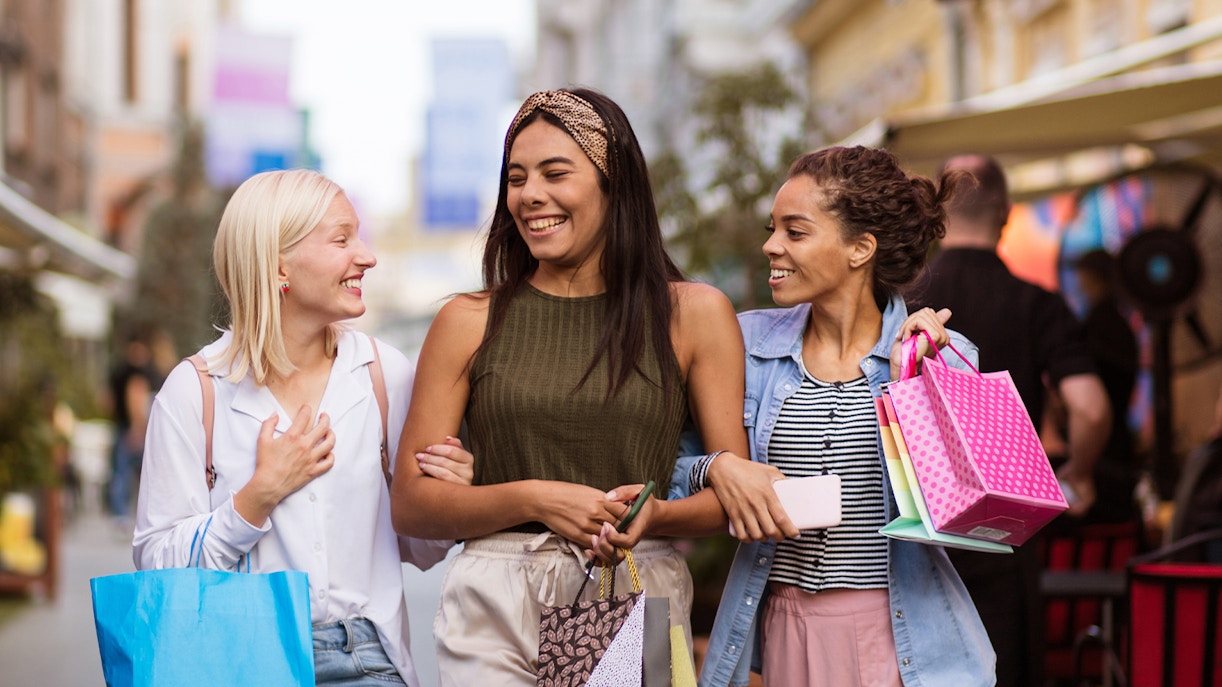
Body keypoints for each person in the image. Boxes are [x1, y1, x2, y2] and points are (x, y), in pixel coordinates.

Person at [390, 88, 764, 686]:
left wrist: (657, 516)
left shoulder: (692, 313)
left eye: (554, 172)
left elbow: (731, 495)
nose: (529, 194)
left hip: (635, 584)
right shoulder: (466, 320)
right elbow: (411, 503)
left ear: (613, 183)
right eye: (516, 177)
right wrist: (536, 499)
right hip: (494, 597)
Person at [666, 146, 995, 687]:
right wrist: (717, 467)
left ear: (860, 248)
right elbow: (669, 468)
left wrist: (918, 381)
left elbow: (963, 519)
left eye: (795, 232)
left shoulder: (939, 354)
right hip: (782, 626)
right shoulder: (742, 343)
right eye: (773, 229)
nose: (771, 246)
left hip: (903, 637)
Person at [132, 169, 471, 687]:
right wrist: (255, 499)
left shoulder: (385, 376)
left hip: (369, 661)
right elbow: (157, 568)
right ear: (278, 263)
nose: (367, 255)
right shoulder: (195, 390)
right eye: (342, 239)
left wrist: (448, 498)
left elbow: (417, 548)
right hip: (238, 662)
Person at [908, 153, 1111, 687]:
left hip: (914, 532)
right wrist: (1079, 475)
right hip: (1005, 532)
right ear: (1005, 213)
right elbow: (1090, 407)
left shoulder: (903, 302)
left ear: (940, 216)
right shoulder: (1036, 303)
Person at [1071, 249, 1140, 524]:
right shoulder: (1121, 325)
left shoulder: (1096, 326)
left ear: (1093, 277)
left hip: (1103, 452)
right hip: (1119, 442)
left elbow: (1092, 410)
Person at [106, 327, 157, 522]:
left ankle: (121, 514)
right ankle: (132, 515)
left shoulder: (118, 370)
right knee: (138, 473)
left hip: (123, 426)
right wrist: (137, 427)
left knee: (121, 473)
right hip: (136, 430)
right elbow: (135, 398)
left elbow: (107, 400)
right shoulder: (139, 372)